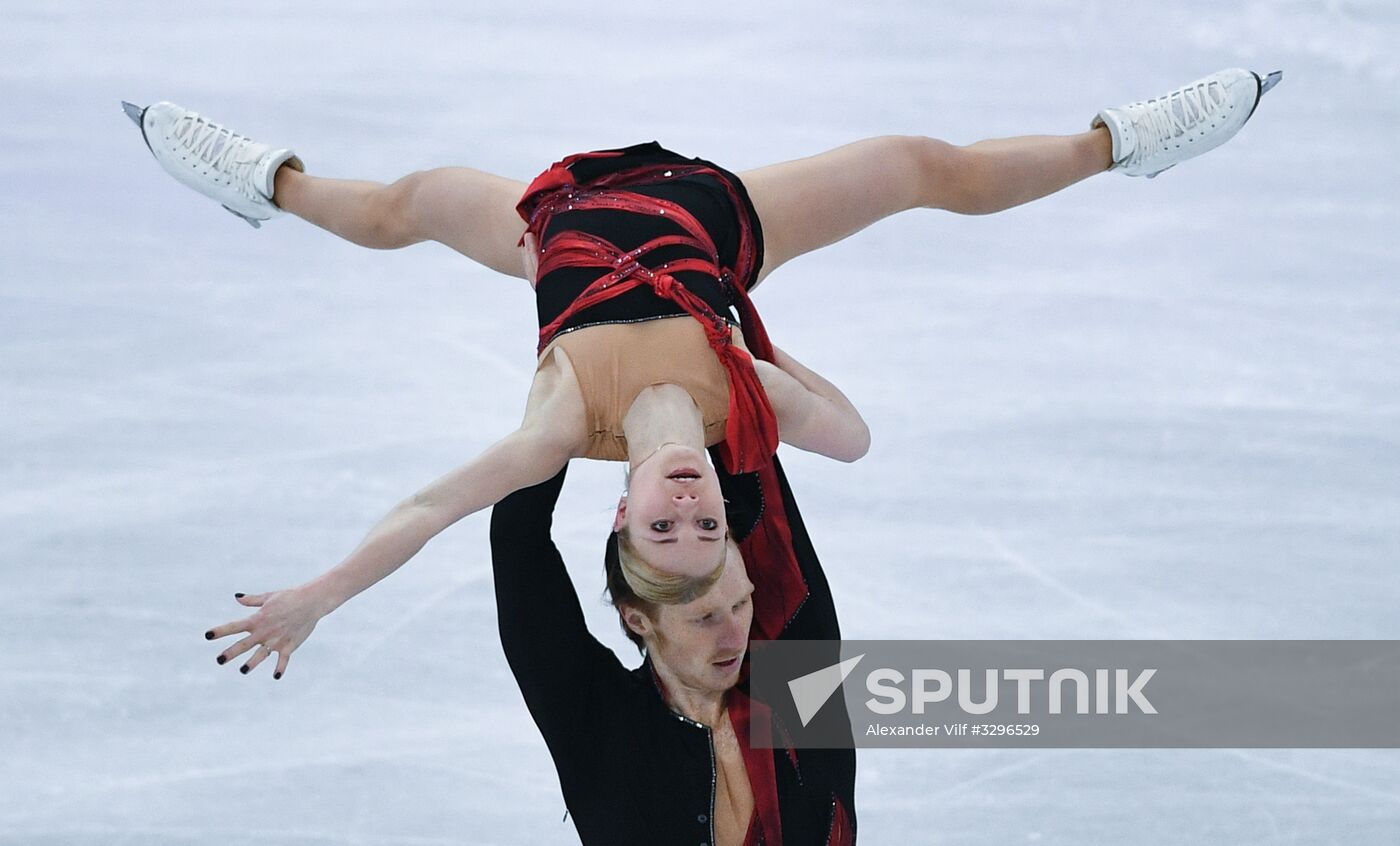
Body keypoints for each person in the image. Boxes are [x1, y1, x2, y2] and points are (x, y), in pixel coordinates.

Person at [138, 68, 1281, 687]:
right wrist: (750, 347)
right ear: (728, 532)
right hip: (712, 223)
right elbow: (852, 438)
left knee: (399, 205)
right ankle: (1121, 142)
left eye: (661, 528)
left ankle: (264, 182)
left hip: (559, 230)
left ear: (625, 514)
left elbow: (431, 508)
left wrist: (317, 599)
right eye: (705, 531)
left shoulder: (555, 429)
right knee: (921, 165)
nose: (686, 508)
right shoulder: (749, 408)